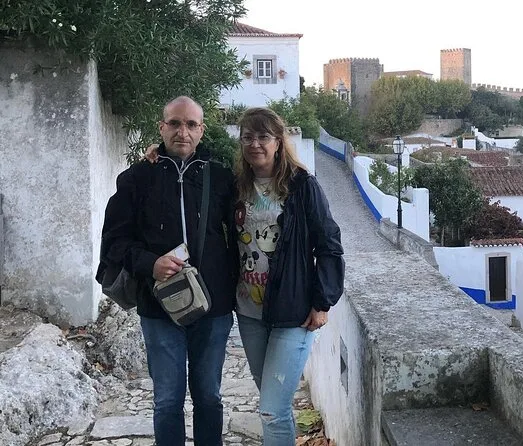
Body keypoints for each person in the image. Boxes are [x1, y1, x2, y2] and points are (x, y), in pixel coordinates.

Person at [98, 96, 238, 446]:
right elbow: (114, 241)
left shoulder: (221, 178)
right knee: (167, 401)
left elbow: (244, 233)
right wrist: (151, 263)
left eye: (191, 124)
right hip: (158, 306)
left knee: (209, 397)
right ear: (161, 128)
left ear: (202, 130)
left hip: (213, 307)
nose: (182, 132)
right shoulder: (136, 179)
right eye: (174, 123)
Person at [234, 107, 345, 445]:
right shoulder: (235, 186)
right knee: (275, 404)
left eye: (263, 136)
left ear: (279, 142)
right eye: (248, 137)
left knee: (271, 409)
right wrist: (157, 153)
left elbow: (329, 243)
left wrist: (322, 302)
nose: (255, 144)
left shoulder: (301, 186)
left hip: (293, 311)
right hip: (249, 312)